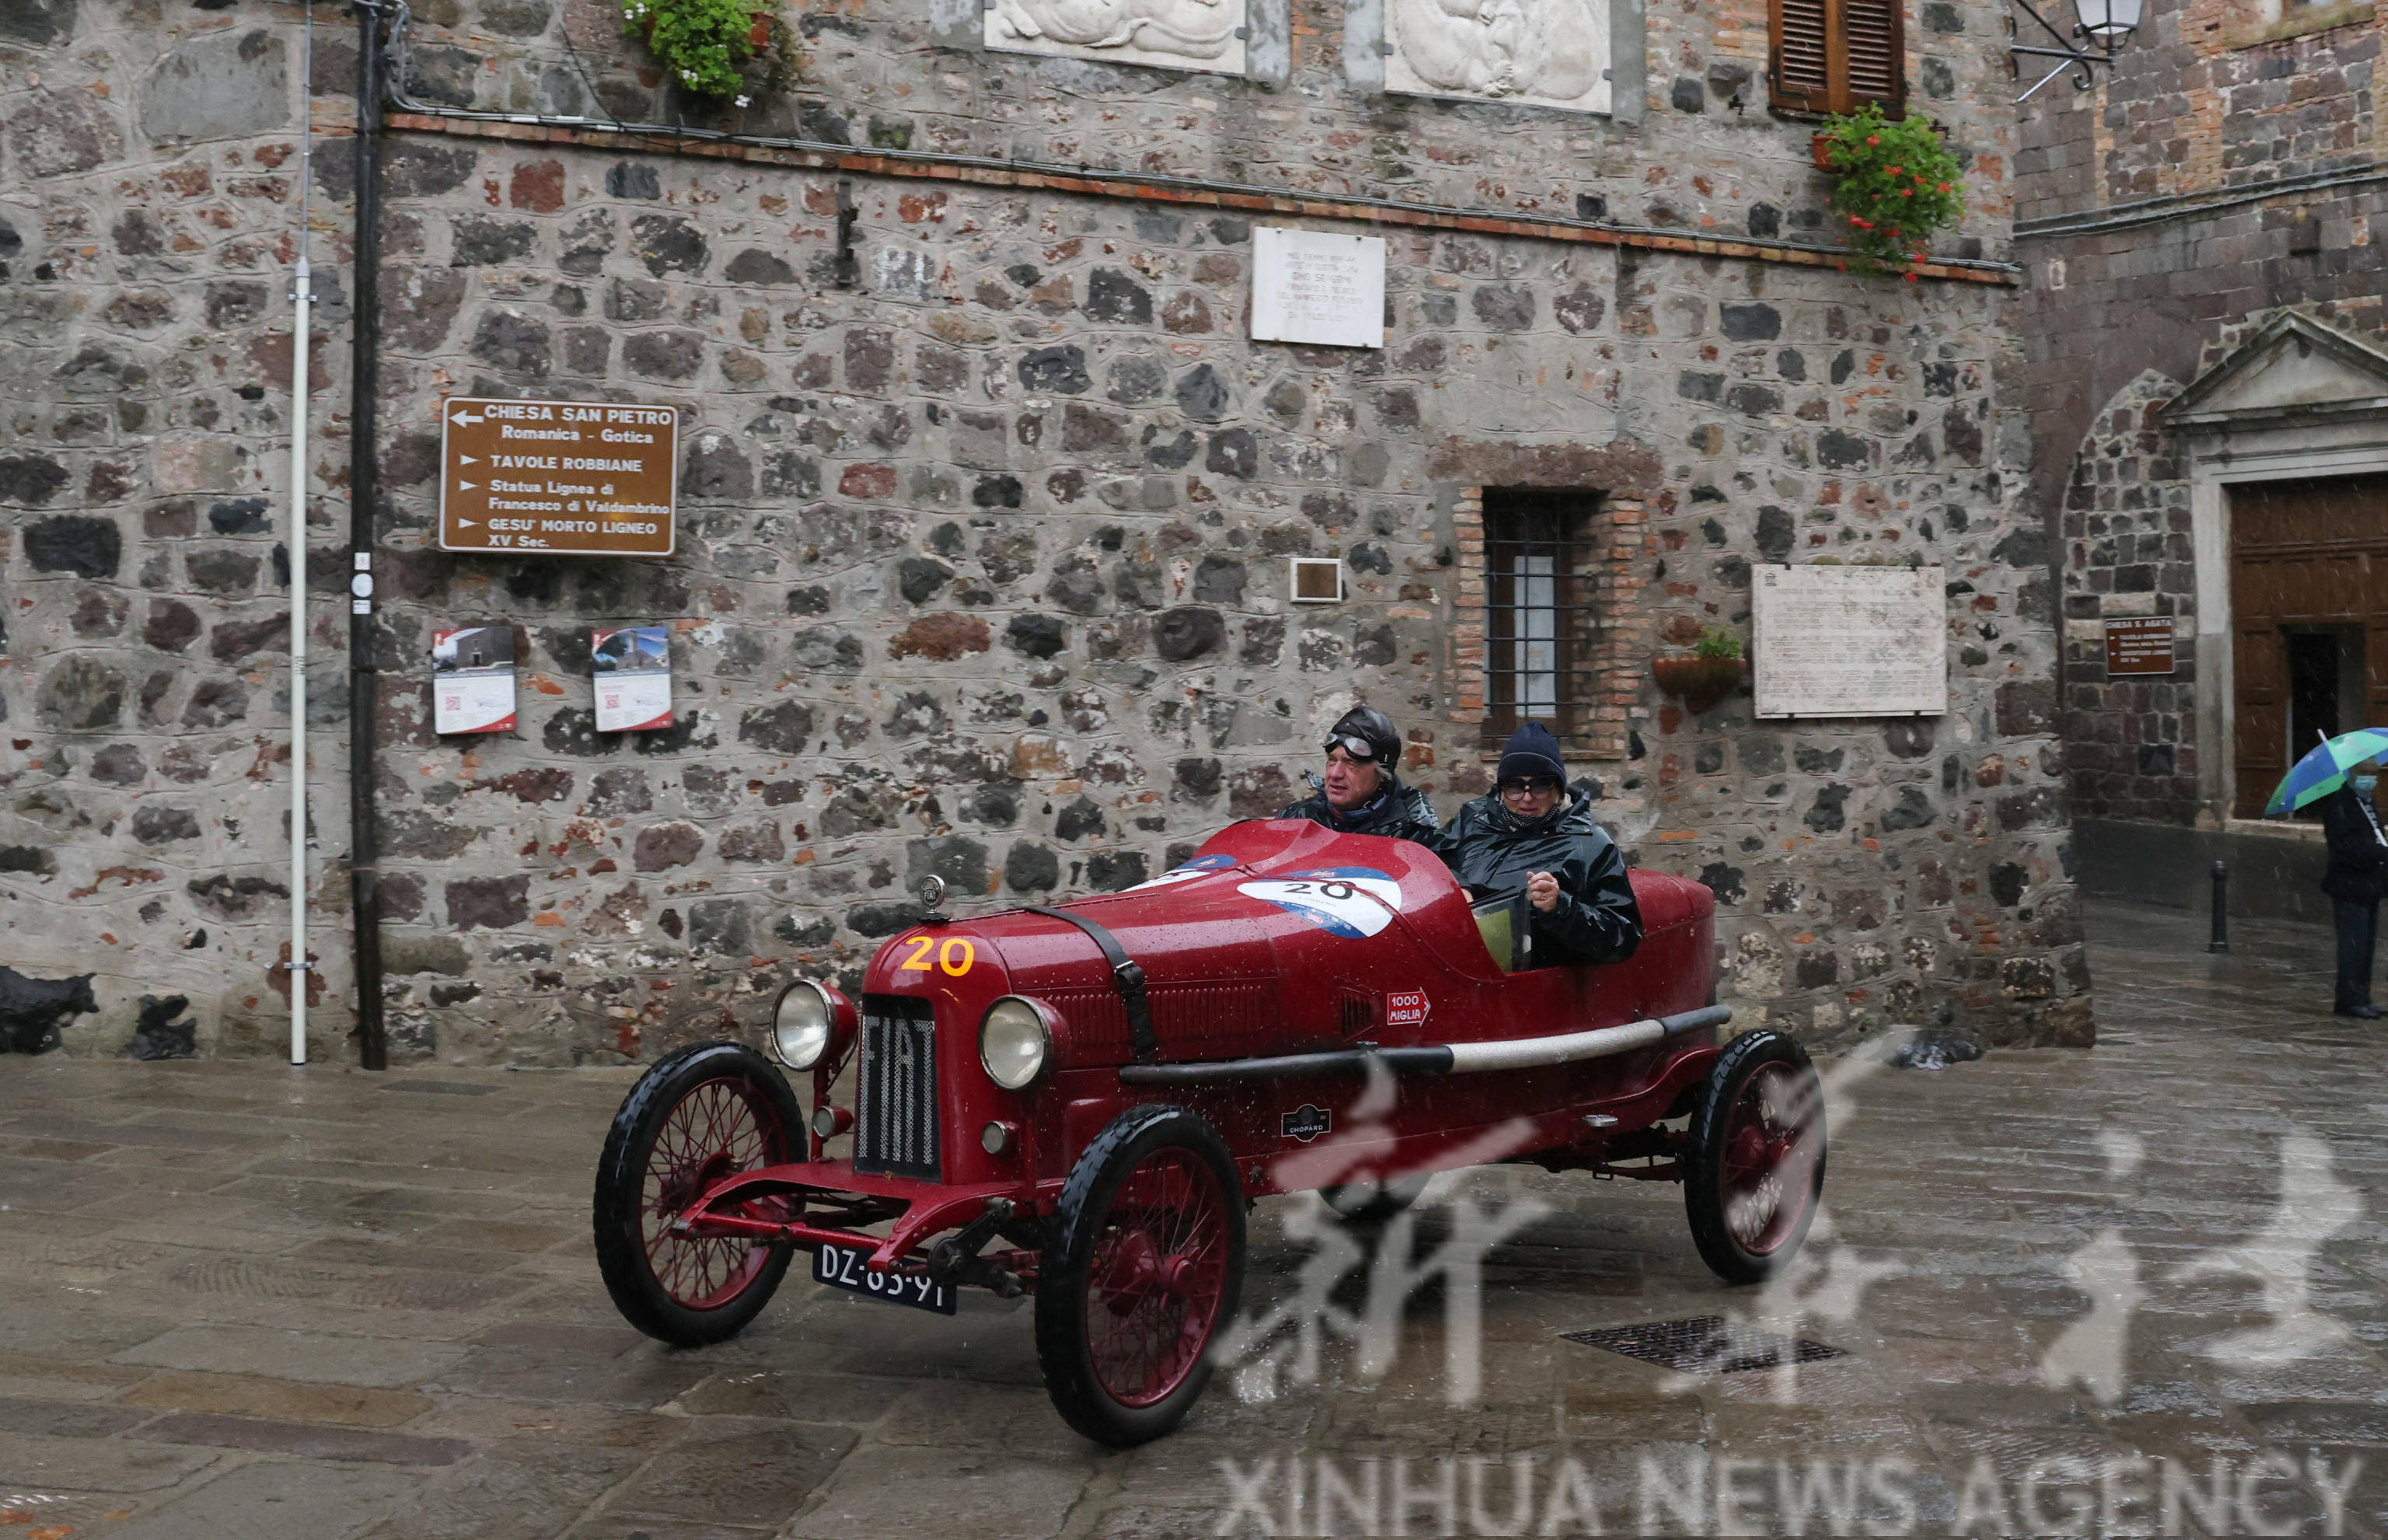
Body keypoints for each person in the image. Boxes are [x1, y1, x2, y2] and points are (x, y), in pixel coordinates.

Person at [1426, 721, 1642, 967]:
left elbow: (1622, 938)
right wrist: (1459, 887)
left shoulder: (1590, 843)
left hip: (1537, 986)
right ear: (1502, 788)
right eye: (1515, 787)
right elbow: (1430, 863)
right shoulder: (1474, 818)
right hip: (1461, 970)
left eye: (1539, 787)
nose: (1527, 798)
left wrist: (1561, 907)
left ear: (1558, 788)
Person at [1276, 706, 1440, 842]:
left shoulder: (1412, 832)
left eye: (1351, 763)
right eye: (1332, 760)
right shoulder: (1298, 818)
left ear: (1382, 773)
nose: (1335, 774)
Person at [2322, 763, 2388, 1018]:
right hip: (2349, 885)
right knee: (2353, 945)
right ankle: (2349, 1000)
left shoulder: (2367, 803)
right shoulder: (2341, 804)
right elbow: (2345, 847)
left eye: (2374, 775)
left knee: (2367, 945)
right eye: (2365, 775)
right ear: (2353, 776)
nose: (2371, 780)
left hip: (2369, 885)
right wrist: (2377, 851)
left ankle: (2363, 995)